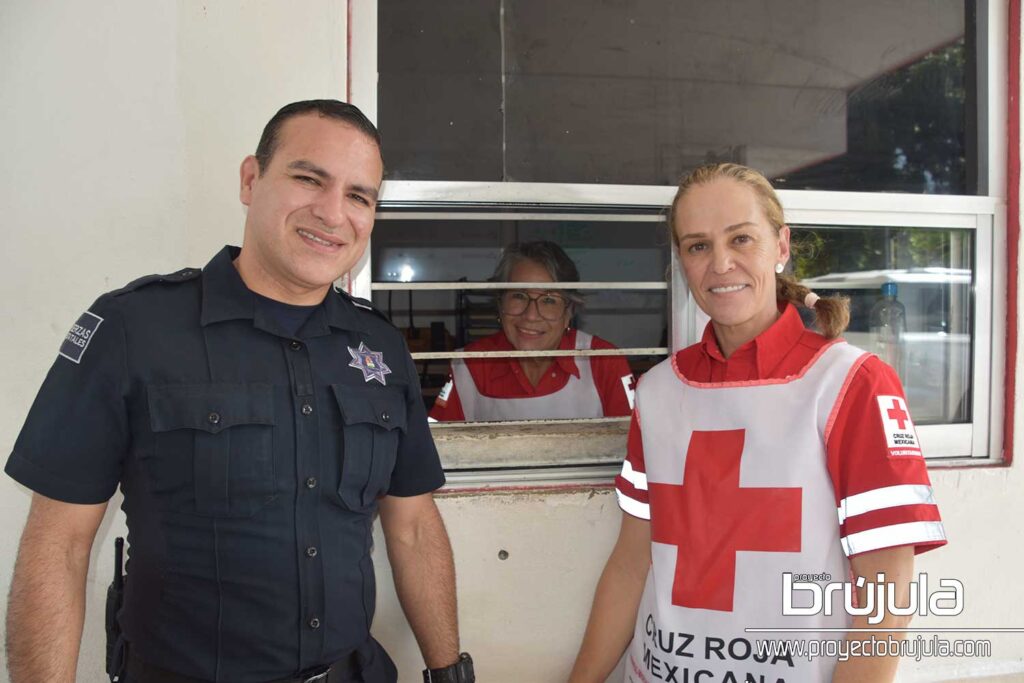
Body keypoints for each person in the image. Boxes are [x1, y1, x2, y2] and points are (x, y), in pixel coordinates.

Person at [5, 100, 474, 683]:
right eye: (309, 179)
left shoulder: (379, 349)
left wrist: (449, 671)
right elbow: (60, 546)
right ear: (252, 179)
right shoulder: (134, 331)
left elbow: (413, 525)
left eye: (359, 196)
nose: (333, 213)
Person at [569, 163, 947, 683]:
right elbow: (631, 563)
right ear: (681, 261)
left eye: (741, 238)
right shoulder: (657, 390)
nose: (721, 263)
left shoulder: (851, 383)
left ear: (781, 245)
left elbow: (887, 586)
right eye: (697, 246)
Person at [429, 241, 635, 422]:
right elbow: (438, 453)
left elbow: (635, 452)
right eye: (519, 295)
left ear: (569, 311)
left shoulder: (603, 362)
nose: (531, 315)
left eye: (548, 300)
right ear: (500, 303)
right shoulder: (470, 364)